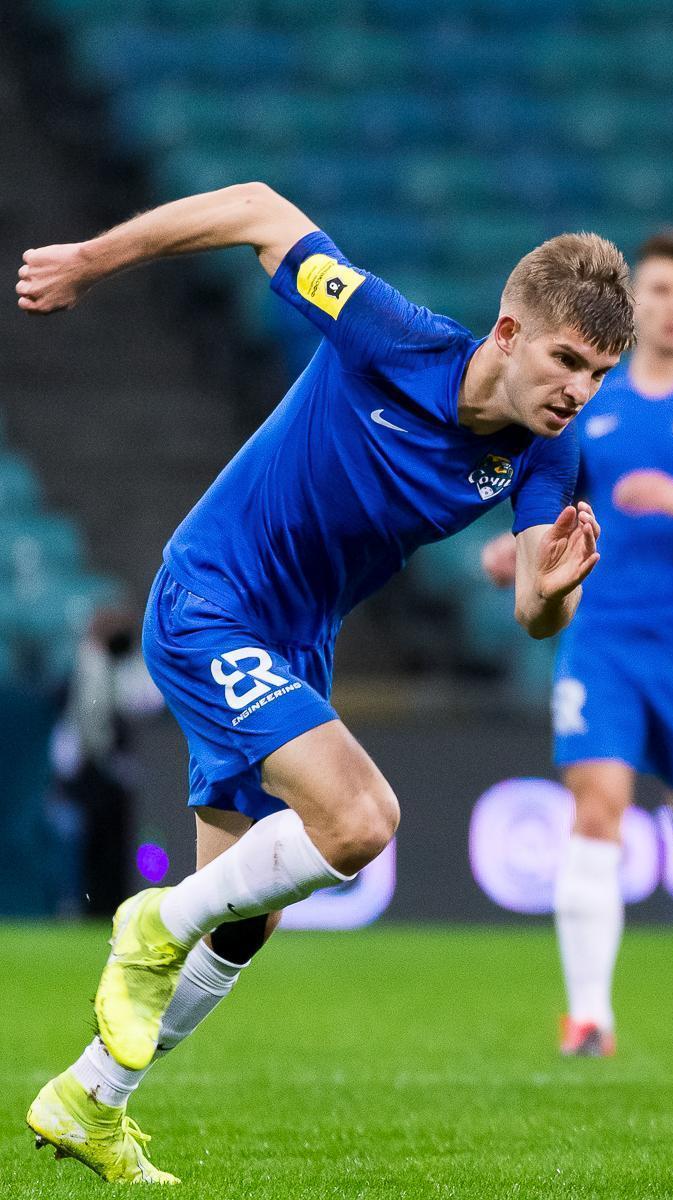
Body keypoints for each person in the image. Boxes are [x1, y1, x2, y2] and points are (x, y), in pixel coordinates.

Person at [17, 182, 630, 1183]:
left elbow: (532, 611)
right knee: (359, 820)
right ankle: (153, 921)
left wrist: (558, 593)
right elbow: (260, 210)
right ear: (510, 333)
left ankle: (92, 1098)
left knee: (247, 920)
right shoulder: (391, 334)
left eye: (600, 374)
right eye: (567, 360)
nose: (579, 390)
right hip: (211, 599)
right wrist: (91, 259)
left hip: (296, 646)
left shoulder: (549, 457)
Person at [483, 232, 673, 1057]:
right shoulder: (590, 396)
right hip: (604, 637)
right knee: (597, 809)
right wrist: (517, 550)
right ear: (633, 303)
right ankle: (589, 1016)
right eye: (659, 290)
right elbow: (551, 505)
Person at [52, 606, 165, 917]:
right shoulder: (88, 662)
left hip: (109, 767)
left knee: (113, 843)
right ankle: (83, 905)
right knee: (86, 842)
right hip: (87, 769)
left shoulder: (120, 664)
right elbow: (88, 721)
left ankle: (107, 905)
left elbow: (147, 700)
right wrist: (106, 761)